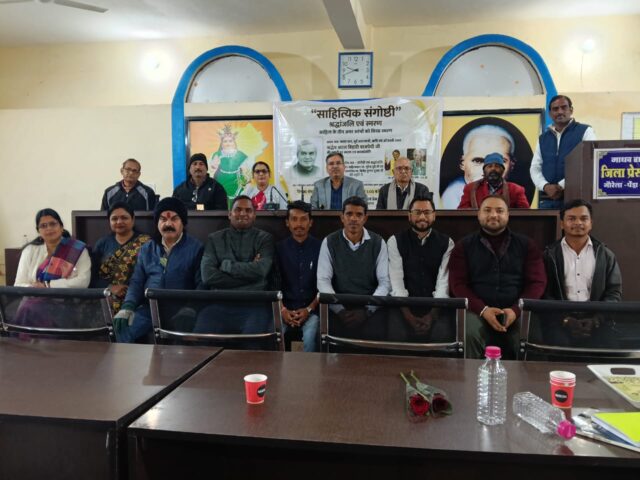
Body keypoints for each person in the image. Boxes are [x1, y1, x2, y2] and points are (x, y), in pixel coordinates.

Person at [449, 195, 546, 359]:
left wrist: (516, 310)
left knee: (529, 336)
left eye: (499, 211)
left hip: (517, 310)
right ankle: (469, 376)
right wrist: (483, 310)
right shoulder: (463, 246)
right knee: (468, 334)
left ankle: (527, 377)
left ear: (508, 215)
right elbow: (457, 285)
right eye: (487, 210)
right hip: (476, 311)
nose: (493, 215)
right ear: (479, 214)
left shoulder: (527, 245)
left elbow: (537, 283)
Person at [112, 197, 203, 343]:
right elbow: (137, 282)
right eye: (163, 219)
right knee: (121, 330)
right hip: (149, 308)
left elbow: (202, 285)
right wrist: (127, 306)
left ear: (183, 222)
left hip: (181, 309)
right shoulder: (147, 248)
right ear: (157, 223)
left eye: (174, 219)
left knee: (182, 340)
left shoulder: (196, 248)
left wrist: (191, 309)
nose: (168, 224)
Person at [541, 199, 622, 347]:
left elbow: (614, 293)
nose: (578, 223)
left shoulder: (605, 255)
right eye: (571, 218)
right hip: (559, 322)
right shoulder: (549, 255)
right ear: (562, 223)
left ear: (591, 223)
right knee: (557, 347)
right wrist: (565, 320)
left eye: (584, 218)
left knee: (608, 349)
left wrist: (596, 320)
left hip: (598, 321)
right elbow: (545, 293)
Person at [194, 195, 275, 340]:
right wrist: (253, 279)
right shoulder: (214, 239)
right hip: (219, 304)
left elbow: (262, 270)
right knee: (201, 339)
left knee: (252, 343)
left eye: (248, 210)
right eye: (238, 210)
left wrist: (226, 266)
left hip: (254, 306)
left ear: (254, 216)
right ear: (229, 214)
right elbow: (208, 276)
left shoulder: (264, 239)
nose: (243, 214)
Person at [317, 196, 390, 341]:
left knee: (377, 336)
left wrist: (367, 311)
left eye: (359, 215)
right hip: (338, 305)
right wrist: (340, 311)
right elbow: (323, 280)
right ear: (342, 217)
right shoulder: (329, 241)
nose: (353, 219)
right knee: (324, 337)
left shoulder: (378, 242)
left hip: (369, 306)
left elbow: (385, 282)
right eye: (349, 214)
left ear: (365, 218)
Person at [387, 196, 454, 342]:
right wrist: (408, 316)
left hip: (436, 307)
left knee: (441, 336)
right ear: (409, 215)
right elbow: (397, 283)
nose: (422, 217)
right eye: (417, 212)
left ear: (434, 215)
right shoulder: (395, 241)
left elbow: (443, 284)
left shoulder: (447, 243)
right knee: (396, 335)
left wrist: (432, 315)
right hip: (402, 307)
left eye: (427, 212)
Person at [13, 208, 91, 328]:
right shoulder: (30, 251)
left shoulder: (77, 250)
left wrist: (48, 286)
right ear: (38, 231)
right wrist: (34, 288)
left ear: (61, 227)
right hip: (31, 304)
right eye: (43, 226)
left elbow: (83, 281)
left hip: (66, 305)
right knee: (31, 307)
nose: (49, 228)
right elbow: (19, 284)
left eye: (53, 224)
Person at [530, 95, 596, 209]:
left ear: (571, 110)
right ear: (550, 114)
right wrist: (545, 186)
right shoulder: (543, 138)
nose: (560, 112)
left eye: (564, 107)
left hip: (576, 198)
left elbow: (590, 163)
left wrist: (561, 186)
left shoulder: (585, 131)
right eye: (555, 109)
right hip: (548, 200)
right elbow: (535, 167)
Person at [275, 201, 321, 352]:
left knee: (310, 338)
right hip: (284, 310)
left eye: (303, 219)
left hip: (312, 310)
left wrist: (309, 309)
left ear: (311, 222)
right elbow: (273, 283)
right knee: (274, 338)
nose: (299, 224)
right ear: (287, 223)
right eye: (294, 219)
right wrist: (283, 310)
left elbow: (324, 285)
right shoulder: (279, 249)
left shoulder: (321, 248)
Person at [91, 202, 151, 314]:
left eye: (124, 218)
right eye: (114, 219)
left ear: (133, 219)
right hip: (107, 298)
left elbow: (151, 273)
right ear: (109, 221)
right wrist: (110, 287)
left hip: (138, 299)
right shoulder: (102, 244)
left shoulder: (146, 243)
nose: (119, 222)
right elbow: (92, 275)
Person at [441, 124, 516, 209]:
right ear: (462, 163)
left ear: (511, 165)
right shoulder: (452, 195)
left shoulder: (515, 191)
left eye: (498, 163)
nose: (489, 170)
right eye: (478, 161)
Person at [458, 152, 530, 209]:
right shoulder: (470, 188)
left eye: (497, 166)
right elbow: (462, 212)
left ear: (503, 170)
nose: (493, 169)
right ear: (484, 170)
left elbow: (525, 214)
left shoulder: (516, 190)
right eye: (489, 166)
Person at [211, 124, 249, 199]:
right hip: (221, 180)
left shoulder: (241, 155)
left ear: (234, 142)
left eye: (230, 141)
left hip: (236, 180)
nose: (228, 143)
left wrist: (246, 182)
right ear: (222, 143)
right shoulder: (217, 154)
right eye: (225, 141)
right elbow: (212, 170)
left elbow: (246, 173)